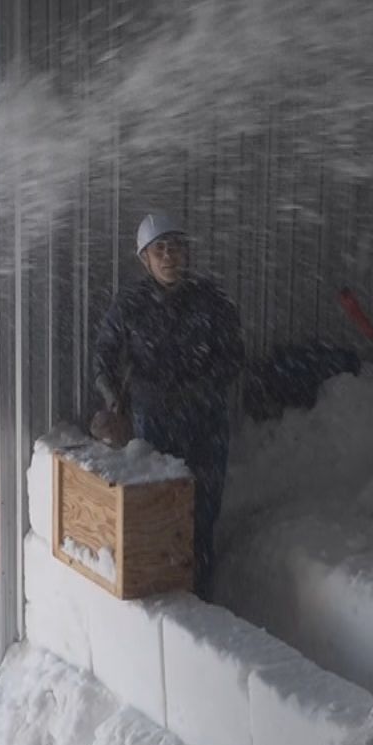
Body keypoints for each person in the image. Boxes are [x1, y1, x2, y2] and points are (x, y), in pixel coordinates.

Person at [90, 211, 245, 600]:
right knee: (159, 508)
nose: (169, 255)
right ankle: (164, 594)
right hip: (154, 422)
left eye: (176, 246)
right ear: (144, 259)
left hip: (205, 421)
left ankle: (201, 592)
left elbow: (233, 355)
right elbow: (104, 356)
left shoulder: (210, 300)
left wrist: (202, 389)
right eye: (159, 249)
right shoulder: (131, 304)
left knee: (202, 510)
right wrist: (114, 399)